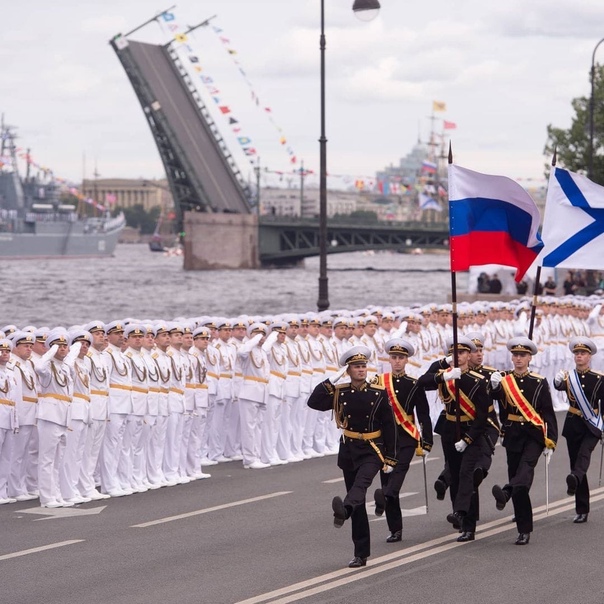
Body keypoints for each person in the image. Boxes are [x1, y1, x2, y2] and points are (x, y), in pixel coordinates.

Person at [307, 346, 397, 568]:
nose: (361, 370)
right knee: (357, 501)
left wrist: (391, 458)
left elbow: (390, 425)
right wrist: (330, 381)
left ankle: (344, 510)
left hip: (372, 448)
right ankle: (360, 553)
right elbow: (314, 402)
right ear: (348, 370)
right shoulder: (341, 392)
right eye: (356, 366)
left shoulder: (378, 393)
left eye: (363, 366)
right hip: (349, 449)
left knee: (360, 487)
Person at [418, 336, 490, 542]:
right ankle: (458, 515)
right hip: (450, 429)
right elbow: (422, 381)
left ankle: (467, 522)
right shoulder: (446, 376)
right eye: (454, 353)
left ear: (469, 355)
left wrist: (467, 439)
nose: (458, 356)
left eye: (462, 353)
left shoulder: (477, 381)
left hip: (471, 431)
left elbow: (482, 416)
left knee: (468, 474)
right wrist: (443, 370)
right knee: (456, 475)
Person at [489, 337, 558, 545]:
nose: (518, 358)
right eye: (516, 355)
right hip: (512, 435)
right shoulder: (503, 380)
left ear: (529, 358)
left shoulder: (538, 382)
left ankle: (523, 527)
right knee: (519, 479)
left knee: (524, 473)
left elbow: (548, 413)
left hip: (533, 435)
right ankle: (516, 509)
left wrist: (550, 441)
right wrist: (493, 386)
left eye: (522, 355)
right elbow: (493, 398)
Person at [373, 338, 432, 543]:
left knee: (396, 479)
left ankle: (384, 497)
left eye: (401, 358)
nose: (397, 361)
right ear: (389, 359)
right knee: (387, 482)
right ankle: (395, 529)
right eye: (394, 357)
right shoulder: (379, 382)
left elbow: (423, 414)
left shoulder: (413, 385)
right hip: (385, 441)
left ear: (407, 360)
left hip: (406, 438)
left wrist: (427, 441)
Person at [553, 337, 603, 523]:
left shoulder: (598, 379)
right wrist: (556, 380)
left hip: (592, 425)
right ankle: (582, 509)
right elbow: (558, 386)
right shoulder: (569, 378)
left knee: (583, 457)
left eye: (583, 353)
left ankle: (574, 478)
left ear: (589, 356)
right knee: (576, 464)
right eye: (577, 353)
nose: (579, 356)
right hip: (573, 425)